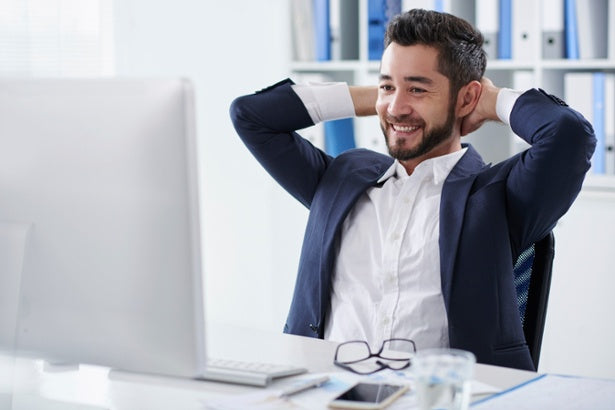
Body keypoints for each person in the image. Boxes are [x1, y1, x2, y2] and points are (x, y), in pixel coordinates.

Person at [229, 9, 595, 371]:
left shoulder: (495, 196)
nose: (396, 108)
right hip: (325, 392)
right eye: (387, 86)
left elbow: (569, 135)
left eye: (418, 89)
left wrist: (489, 99)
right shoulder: (341, 178)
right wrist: (382, 96)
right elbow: (251, 115)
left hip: (441, 397)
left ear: (466, 98)